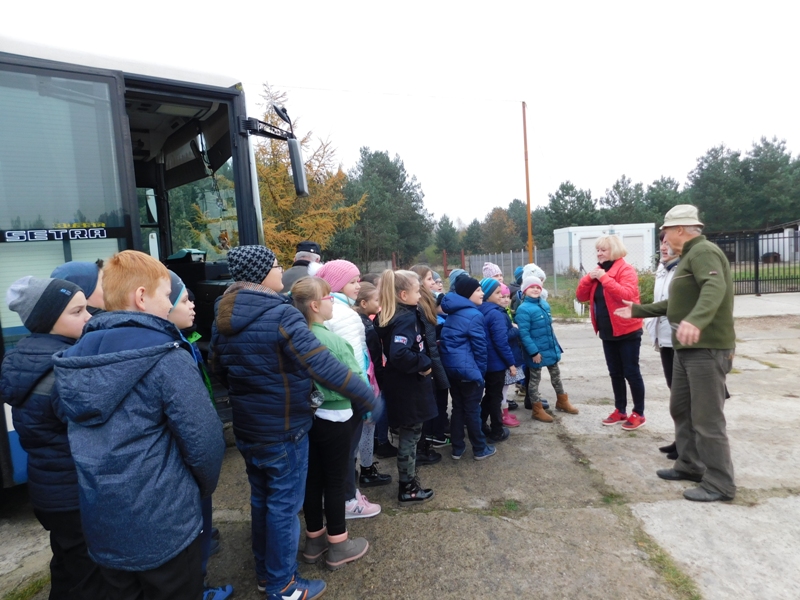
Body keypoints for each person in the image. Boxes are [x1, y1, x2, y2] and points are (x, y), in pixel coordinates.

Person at [53, 250, 225, 600]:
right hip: (166, 527)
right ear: (142, 297)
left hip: (103, 526)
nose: (169, 305)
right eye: (165, 295)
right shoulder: (167, 356)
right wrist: (198, 492)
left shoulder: (75, 357)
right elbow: (205, 444)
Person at [210, 245, 374, 598]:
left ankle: (266, 575)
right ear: (261, 274)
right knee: (284, 507)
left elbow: (218, 370)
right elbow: (322, 365)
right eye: (275, 265)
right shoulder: (281, 315)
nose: (281, 270)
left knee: (262, 501)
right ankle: (284, 585)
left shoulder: (222, 316)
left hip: (249, 428)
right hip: (284, 429)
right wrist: (365, 393)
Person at [616, 205, 736, 503]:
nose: (664, 236)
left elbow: (714, 287)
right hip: (686, 350)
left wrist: (697, 320)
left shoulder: (703, 252)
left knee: (707, 420)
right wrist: (637, 310)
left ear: (680, 229)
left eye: (666, 230)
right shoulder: (687, 257)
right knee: (681, 408)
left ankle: (720, 483)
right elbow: (676, 303)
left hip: (706, 349)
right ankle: (690, 464)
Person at [1, 276, 107, 599]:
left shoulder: (22, 358)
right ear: (48, 320)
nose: (89, 316)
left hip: (48, 492)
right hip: (75, 494)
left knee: (66, 565)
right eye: (77, 312)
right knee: (90, 579)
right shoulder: (64, 369)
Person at [292, 277, 370, 570]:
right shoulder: (332, 340)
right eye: (328, 297)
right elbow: (353, 380)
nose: (333, 302)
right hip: (336, 416)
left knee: (312, 479)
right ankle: (339, 543)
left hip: (308, 417)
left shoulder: (295, 335)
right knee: (336, 480)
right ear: (315, 305)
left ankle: (314, 540)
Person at [166, 271, 233, 600]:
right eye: (184, 300)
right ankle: (199, 587)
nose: (193, 305)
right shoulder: (170, 353)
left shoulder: (187, 342)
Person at [316, 259, 386, 519]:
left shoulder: (338, 308)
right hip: (349, 394)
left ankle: (343, 495)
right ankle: (348, 500)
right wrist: (365, 396)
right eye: (353, 281)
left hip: (337, 394)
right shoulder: (344, 314)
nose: (359, 285)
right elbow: (354, 361)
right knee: (348, 451)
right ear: (336, 283)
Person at [375, 270, 437, 503]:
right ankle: (408, 487)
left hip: (401, 385)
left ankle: (409, 481)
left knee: (409, 435)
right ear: (403, 294)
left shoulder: (395, 314)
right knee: (410, 437)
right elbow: (399, 353)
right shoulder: (405, 318)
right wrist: (425, 363)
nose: (420, 296)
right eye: (417, 291)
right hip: (408, 387)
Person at [576, 235, 646, 431]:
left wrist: (605, 279)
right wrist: (588, 278)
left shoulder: (625, 270)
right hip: (607, 331)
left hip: (627, 330)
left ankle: (639, 413)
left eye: (603, 250)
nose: (599, 253)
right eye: (597, 250)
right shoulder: (598, 272)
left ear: (614, 250)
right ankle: (620, 410)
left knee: (631, 372)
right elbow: (581, 296)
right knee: (615, 373)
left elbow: (627, 295)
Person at [439, 276, 496, 461]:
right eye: (478, 290)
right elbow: (481, 348)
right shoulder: (474, 315)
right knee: (472, 410)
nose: (482, 293)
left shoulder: (453, 312)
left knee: (457, 408)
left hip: (453, 371)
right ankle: (480, 448)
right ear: (468, 293)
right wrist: (480, 373)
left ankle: (457, 448)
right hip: (469, 372)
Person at [516, 276, 578, 422]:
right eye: (532, 287)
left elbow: (549, 330)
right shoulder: (523, 309)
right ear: (525, 290)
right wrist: (534, 352)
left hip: (550, 349)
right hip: (536, 353)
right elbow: (523, 334)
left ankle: (562, 401)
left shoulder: (544, 305)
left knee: (556, 375)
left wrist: (556, 348)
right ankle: (537, 409)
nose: (536, 289)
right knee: (534, 381)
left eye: (538, 287)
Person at [646, 233, 681, 461]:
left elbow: (671, 304)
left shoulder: (683, 269)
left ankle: (688, 444)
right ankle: (681, 439)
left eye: (668, 242)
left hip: (679, 338)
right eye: (661, 242)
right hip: (665, 338)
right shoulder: (663, 268)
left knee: (682, 395)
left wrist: (639, 311)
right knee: (675, 392)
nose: (664, 247)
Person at [410, 264, 449, 461]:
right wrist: (438, 372)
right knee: (429, 403)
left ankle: (426, 443)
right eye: (429, 279)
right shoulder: (422, 307)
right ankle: (424, 448)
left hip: (426, 362)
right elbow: (430, 344)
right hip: (426, 364)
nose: (433, 282)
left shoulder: (426, 303)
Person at [354, 283, 397, 462]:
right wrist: (381, 378)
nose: (379, 304)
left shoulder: (361, 321)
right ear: (364, 303)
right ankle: (375, 453)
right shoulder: (367, 326)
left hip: (369, 377)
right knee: (375, 417)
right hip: (373, 378)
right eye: (376, 300)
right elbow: (374, 357)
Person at [477, 278, 515, 442]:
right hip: (496, 362)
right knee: (495, 397)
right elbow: (501, 341)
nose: (501, 296)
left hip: (485, 361)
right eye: (497, 293)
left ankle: (480, 424)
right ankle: (497, 430)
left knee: (489, 395)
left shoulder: (481, 310)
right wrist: (511, 363)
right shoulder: (496, 313)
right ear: (487, 295)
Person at [498, 283, 522, 424]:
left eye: (508, 297)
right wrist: (515, 329)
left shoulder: (503, 311)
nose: (506, 300)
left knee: (505, 388)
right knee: (503, 389)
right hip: (504, 358)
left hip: (507, 355)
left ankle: (505, 412)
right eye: (502, 296)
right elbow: (504, 336)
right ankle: (503, 414)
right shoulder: (500, 314)